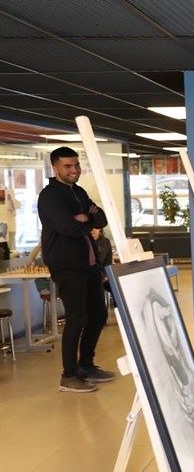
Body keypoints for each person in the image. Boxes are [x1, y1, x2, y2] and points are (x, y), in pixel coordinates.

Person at [37, 146, 114, 393]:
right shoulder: (50, 196)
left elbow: (101, 218)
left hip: (89, 263)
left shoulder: (78, 192)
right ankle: (69, 376)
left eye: (76, 165)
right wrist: (82, 220)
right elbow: (67, 228)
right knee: (77, 317)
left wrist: (85, 217)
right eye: (67, 166)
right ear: (55, 168)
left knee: (98, 315)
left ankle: (86, 365)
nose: (74, 170)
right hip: (66, 265)